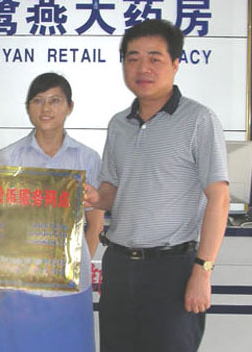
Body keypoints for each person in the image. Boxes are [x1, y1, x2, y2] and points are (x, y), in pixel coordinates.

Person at [84, 19, 230, 352]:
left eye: (154, 58)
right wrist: (94, 197)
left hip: (172, 270)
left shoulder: (199, 120)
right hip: (119, 267)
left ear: (176, 64)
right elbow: (112, 191)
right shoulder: (119, 124)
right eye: (133, 58)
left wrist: (203, 271)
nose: (143, 68)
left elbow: (219, 198)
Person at [0, 72, 104, 352]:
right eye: (38, 100)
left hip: (71, 289)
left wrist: (75, 265)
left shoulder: (87, 158)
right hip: (20, 288)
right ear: (28, 107)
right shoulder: (9, 157)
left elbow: (96, 223)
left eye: (55, 101)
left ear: (70, 107)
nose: (46, 108)